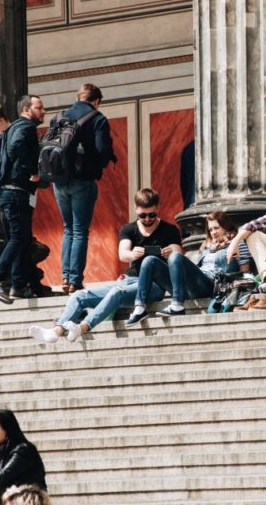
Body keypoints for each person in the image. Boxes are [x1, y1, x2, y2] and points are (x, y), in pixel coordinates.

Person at [28, 188, 182, 342]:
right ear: (136, 209)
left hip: (154, 285)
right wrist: (133, 254)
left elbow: (178, 254)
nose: (147, 219)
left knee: (117, 292)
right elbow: (123, 254)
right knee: (79, 295)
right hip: (130, 280)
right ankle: (55, 332)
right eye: (142, 215)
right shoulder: (129, 229)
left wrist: (170, 253)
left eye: (151, 215)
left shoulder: (169, 230)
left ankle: (82, 327)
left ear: (157, 209)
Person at [0, 96, 45, 304]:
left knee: (20, 239)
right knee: (18, 238)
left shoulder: (8, 133)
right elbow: (16, 150)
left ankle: (17, 285)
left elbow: (7, 159)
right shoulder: (23, 128)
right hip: (14, 193)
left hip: (8, 193)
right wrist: (33, 171)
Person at [51, 83, 116, 295]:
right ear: (96, 101)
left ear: (78, 97)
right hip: (83, 180)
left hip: (58, 181)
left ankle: (64, 276)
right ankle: (75, 280)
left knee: (68, 229)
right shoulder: (98, 119)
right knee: (79, 230)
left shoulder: (58, 116)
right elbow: (102, 151)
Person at [131, 210, 251, 320]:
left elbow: (244, 273)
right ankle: (139, 308)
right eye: (210, 230)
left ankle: (177, 306)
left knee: (176, 256)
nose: (213, 232)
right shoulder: (207, 246)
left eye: (216, 228)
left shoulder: (237, 244)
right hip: (193, 286)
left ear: (226, 226)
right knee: (149, 260)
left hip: (212, 285)